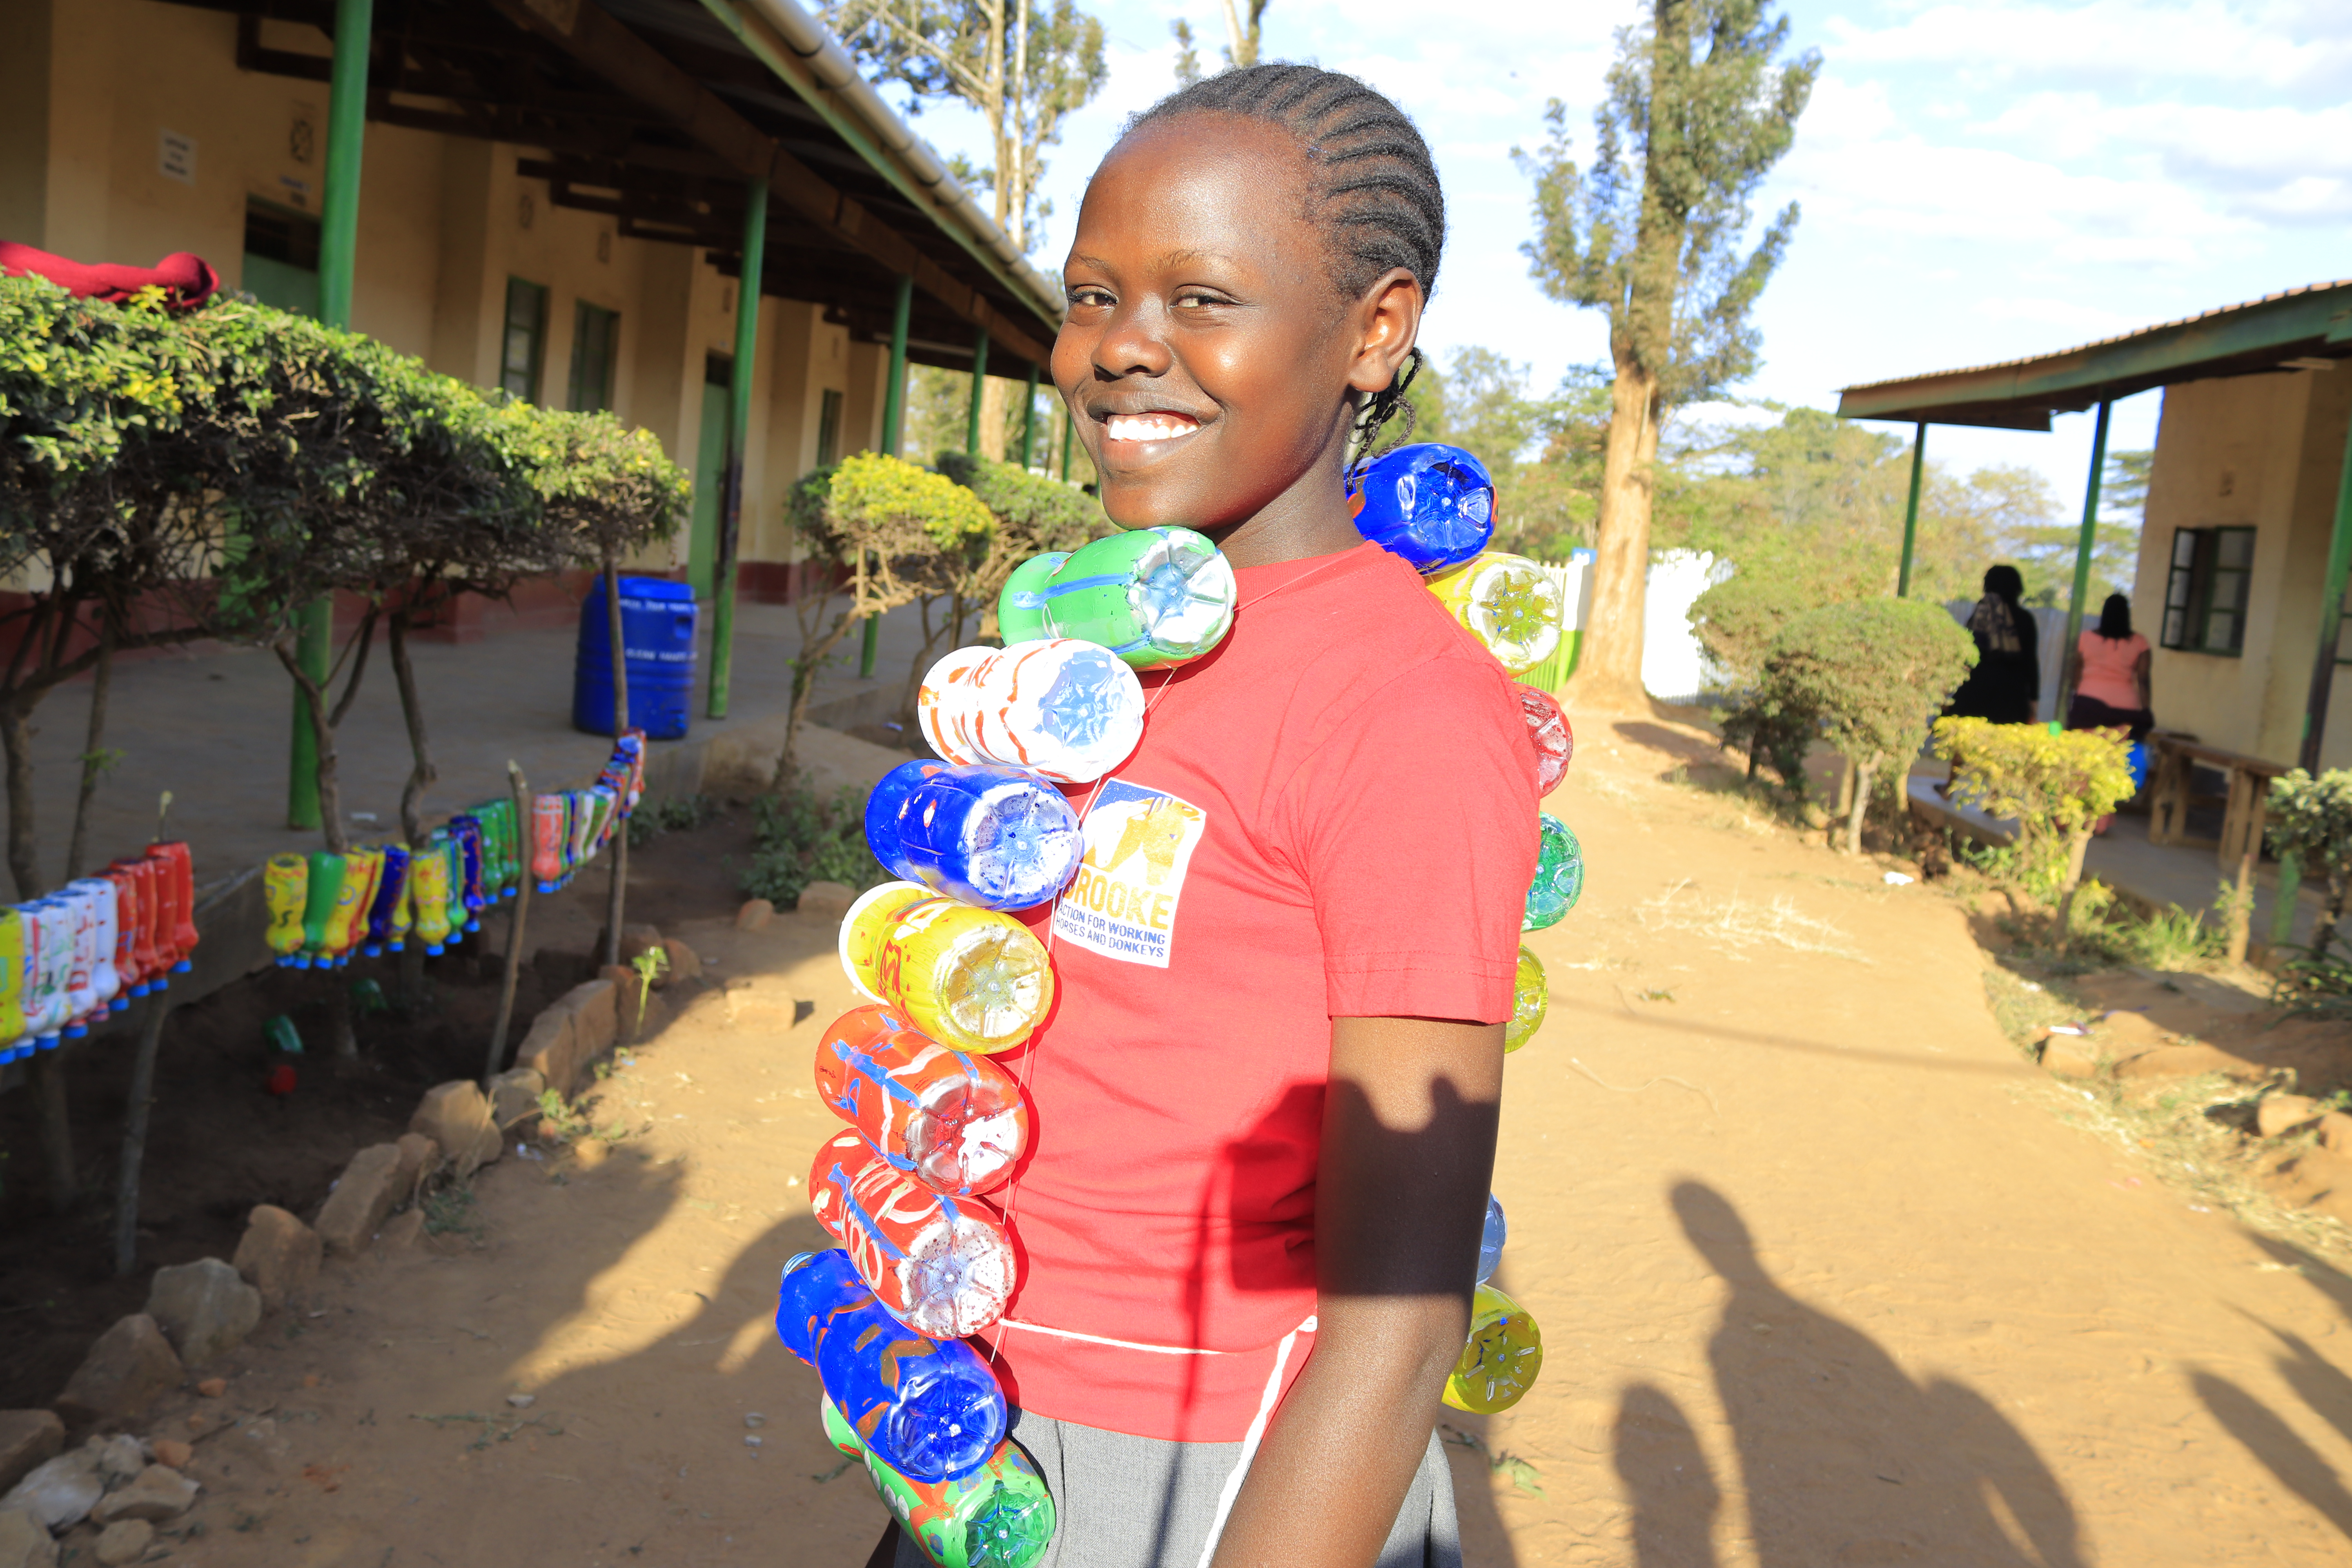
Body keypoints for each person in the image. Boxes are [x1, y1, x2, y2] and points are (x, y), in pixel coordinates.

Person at [869, 65, 1536, 1568]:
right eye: (1094, 294)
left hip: (1206, 1473)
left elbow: (1398, 1316)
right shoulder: (1119, 646)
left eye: (1201, 299)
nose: (1118, 351)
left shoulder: (1404, 714)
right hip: (983, 1434)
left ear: (1374, 331)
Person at [1947, 565, 2040, 725]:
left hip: (1974, 693)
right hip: (2011, 696)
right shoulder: (2025, 619)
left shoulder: (1980, 615)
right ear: (2017, 588)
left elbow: (1966, 656)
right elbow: (2030, 662)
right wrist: (2033, 699)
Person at [2064, 593, 2154, 741]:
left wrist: (2077, 696)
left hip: (2089, 702)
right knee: (2117, 753)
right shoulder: (2140, 642)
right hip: (2125, 707)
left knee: (2087, 751)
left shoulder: (2085, 638)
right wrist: (2146, 710)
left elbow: (2075, 673)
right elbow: (2143, 679)